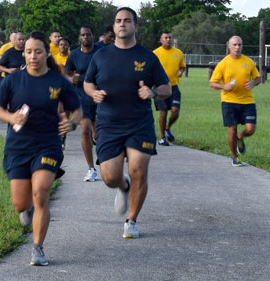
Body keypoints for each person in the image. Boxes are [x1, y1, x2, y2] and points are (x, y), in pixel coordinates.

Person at [0, 31, 81, 266]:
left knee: (41, 193)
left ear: (46, 53)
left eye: (37, 51)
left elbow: (77, 109)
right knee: (21, 204)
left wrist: (72, 122)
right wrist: (11, 118)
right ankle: (26, 209)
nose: (32, 56)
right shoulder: (13, 80)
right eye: (28, 52)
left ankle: (38, 249)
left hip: (48, 144)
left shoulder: (58, 81)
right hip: (18, 147)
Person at [84, 7, 171, 238]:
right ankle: (124, 186)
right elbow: (88, 83)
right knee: (110, 177)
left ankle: (131, 220)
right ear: (114, 27)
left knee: (138, 170)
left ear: (136, 26)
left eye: (127, 21)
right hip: (108, 123)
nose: (122, 24)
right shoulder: (100, 56)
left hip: (138, 123)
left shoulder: (148, 57)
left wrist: (152, 93)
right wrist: (93, 93)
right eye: (118, 21)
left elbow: (166, 88)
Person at [209, 35, 261, 167]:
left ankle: (241, 136)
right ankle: (234, 157)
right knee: (232, 129)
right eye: (235, 45)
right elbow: (212, 83)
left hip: (247, 101)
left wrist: (253, 83)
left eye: (239, 45)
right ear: (229, 46)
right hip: (229, 101)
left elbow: (258, 78)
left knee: (250, 129)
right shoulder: (223, 64)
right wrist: (224, 86)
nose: (237, 47)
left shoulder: (248, 62)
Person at [65, 25, 102, 182]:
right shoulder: (73, 56)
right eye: (83, 35)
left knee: (100, 132)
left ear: (93, 36)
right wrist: (70, 79)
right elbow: (66, 76)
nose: (86, 37)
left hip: (100, 96)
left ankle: (102, 151)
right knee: (85, 130)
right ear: (79, 38)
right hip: (81, 97)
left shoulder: (101, 52)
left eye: (88, 35)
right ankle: (91, 169)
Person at [153, 31, 186, 146]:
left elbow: (183, 66)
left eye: (170, 37)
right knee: (163, 113)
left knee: (175, 111)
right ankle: (162, 137)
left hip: (174, 87)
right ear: (161, 39)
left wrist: (181, 71)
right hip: (160, 87)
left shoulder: (178, 53)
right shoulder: (155, 53)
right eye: (165, 37)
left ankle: (168, 128)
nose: (168, 39)